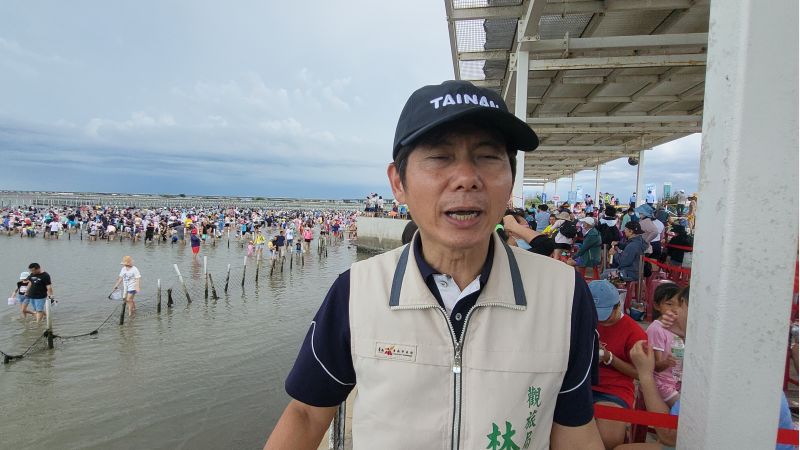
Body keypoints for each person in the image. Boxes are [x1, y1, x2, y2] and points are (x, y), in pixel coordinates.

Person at [265, 80, 603, 449]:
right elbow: (307, 414)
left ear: (510, 181)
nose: (466, 179)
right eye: (440, 157)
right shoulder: (356, 290)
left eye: (488, 157)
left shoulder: (564, 294)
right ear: (398, 182)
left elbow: (574, 429)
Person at [589, 279, 647, 449]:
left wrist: (610, 358)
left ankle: (621, 430)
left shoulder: (634, 332)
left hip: (614, 390)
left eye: (604, 315)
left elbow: (640, 373)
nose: (600, 321)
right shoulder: (584, 320)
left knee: (608, 441)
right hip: (582, 383)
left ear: (617, 306)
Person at [645, 282, 682, 407]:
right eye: (669, 304)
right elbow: (655, 366)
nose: (675, 309)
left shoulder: (678, 327)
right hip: (661, 384)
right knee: (683, 410)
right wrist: (667, 362)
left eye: (679, 304)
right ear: (656, 305)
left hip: (676, 381)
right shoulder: (656, 329)